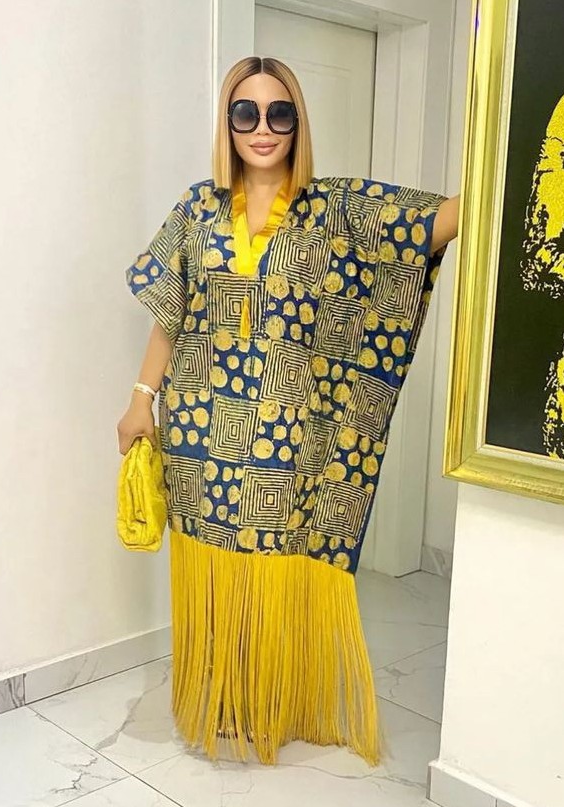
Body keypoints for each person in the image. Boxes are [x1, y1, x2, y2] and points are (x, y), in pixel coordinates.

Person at [117, 56, 460, 767]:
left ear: (298, 124)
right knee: (213, 568)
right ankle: (218, 696)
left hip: (286, 437)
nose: (263, 128)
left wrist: (504, 157)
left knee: (272, 566)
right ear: (228, 123)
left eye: (280, 113)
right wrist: (140, 400)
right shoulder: (196, 209)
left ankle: (271, 702)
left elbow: (433, 227)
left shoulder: (333, 210)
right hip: (199, 430)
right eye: (246, 112)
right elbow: (168, 317)